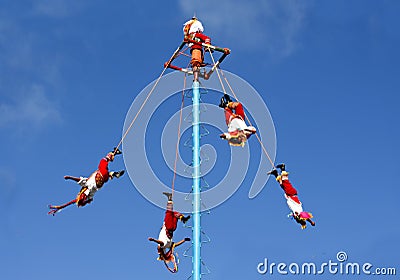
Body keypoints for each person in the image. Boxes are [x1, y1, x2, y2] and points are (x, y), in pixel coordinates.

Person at [48, 148, 124, 215]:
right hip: (101, 175)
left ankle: (113, 173)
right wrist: (69, 177)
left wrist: (61, 207)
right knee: (103, 161)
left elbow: (73, 201)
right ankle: (113, 156)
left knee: (106, 170)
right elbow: (78, 182)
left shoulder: (90, 192)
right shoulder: (87, 186)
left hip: (103, 180)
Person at [268, 163, 315, 229]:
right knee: (286, 182)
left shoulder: (295, 214)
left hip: (289, 195)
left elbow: (304, 219)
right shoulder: (300, 213)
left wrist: (310, 222)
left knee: (282, 185)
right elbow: (306, 217)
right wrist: (311, 222)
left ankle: (275, 174)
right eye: (297, 219)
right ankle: (282, 168)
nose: (295, 218)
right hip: (292, 193)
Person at [148, 192, 190, 262]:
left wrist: (184, 240)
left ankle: (182, 218)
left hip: (173, 228)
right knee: (169, 212)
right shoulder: (163, 245)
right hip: (168, 226)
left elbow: (176, 244)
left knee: (174, 214)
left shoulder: (168, 246)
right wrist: (153, 240)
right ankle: (169, 198)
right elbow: (161, 242)